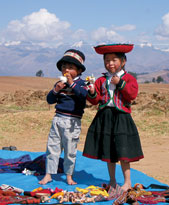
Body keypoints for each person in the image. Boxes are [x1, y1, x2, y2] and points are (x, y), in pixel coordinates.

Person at [83, 44, 144, 192]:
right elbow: (95, 100)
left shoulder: (129, 78)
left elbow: (131, 95)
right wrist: (91, 91)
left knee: (123, 151)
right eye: (107, 60)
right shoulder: (100, 80)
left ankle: (128, 182)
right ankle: (112, 181)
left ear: (123, 61)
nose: (110, 63)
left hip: (122, 118)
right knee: (108, 151)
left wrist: (120, 83)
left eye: (114, 60)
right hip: (105, 117)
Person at [39, 49, 88, 185]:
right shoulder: (60, 83)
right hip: (57, 119)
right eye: (64, 67)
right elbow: (50, 100)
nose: (66, 70)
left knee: (70, 150)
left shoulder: (81, 84)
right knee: (52, 147)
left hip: (72, 122)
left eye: (71, 67)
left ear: (79, 70)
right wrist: (56, 90)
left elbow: (82, 96)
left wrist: (72, 83)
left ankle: (69, 176)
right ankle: (48, 174)